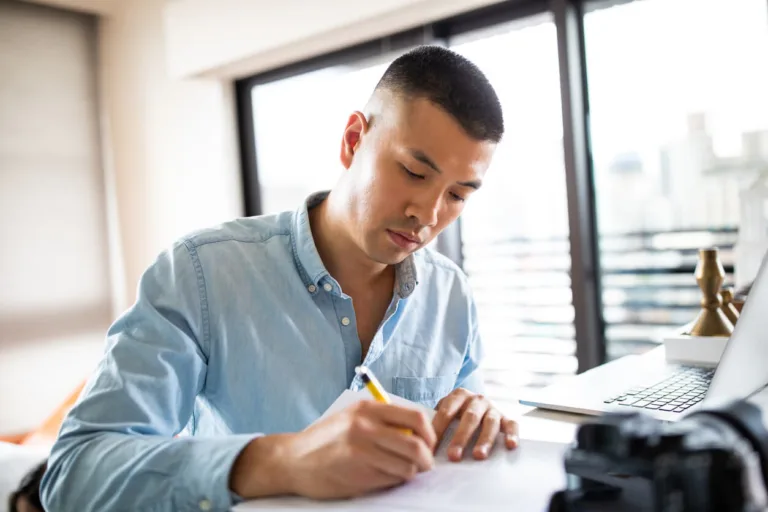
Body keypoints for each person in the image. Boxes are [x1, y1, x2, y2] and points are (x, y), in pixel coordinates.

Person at [40, 45, 517, 511]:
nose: (427, 215)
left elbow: (459, 440)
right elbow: (73, 474)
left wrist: (478, 418)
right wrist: (280, 461)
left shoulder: (451, 292)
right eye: (414, 172)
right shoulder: (201, 273)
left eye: (457, 195)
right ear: (353, 141)